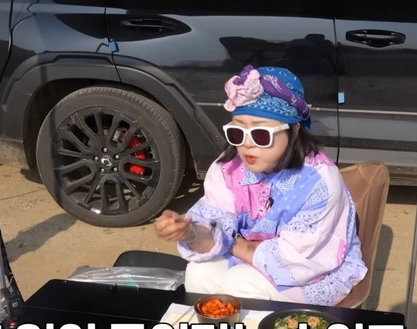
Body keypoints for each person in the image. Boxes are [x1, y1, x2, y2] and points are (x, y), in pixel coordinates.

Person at [154, 65, 367, 306]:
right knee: (199, 272)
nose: (247, 145)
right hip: (249, 256)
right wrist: (190, 232)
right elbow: (214, 226)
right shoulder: (228, 169)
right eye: (237, 133)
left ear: (294, 130)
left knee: (241, 283)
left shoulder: (319, 183)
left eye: (261, 134)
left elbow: (296, 261)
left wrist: (232, 243)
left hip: (312, 273)